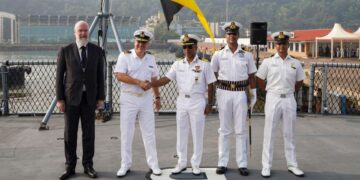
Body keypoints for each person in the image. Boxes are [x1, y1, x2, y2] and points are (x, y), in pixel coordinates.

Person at [151, 34, 216, 175]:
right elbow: (166, 79)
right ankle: (181, 162)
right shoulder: (178, 64)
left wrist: (210, 103)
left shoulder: (205, 64)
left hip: (198, 101)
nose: (186, 49)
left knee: (197, 134)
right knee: (181, 133)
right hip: (182, 101)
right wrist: (151, 83)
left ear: (195, 47)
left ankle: (196, 164)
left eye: (189, 46)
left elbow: (211, 85)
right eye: (184, 46)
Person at [56, 20, 105, 180]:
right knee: (70, 134)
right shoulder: (65, 51)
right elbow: (59, 77)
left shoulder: (97, 51)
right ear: (74, 32)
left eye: (85, 30)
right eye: (80, 31)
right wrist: (60, 99)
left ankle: (88, 165)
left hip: (89, 98)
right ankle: (70, 166)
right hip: (70, 99)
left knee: (88, 134)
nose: (83, 33)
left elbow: (100, 76)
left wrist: (101, 97)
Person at [210, 21, 257, 176]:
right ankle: (222, 162)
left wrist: (253, 94)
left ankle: (242, 163)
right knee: (224, 130)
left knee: (241, 130)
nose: (231, 36)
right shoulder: (218, 55)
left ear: (238, 35)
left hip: (240, 93)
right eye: (229, 33)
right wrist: (215, 94)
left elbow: (251, 76)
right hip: (224, 91)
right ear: (226, 36)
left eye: (234, 33)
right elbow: (213, 75)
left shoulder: (247, 55)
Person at [256, 31, 305, 178]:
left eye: (284, 43)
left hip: (289, 98)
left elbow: (300, 81)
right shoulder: (268, 62)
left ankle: (292, 165)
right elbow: (259, 79)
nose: (281, 46)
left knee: (289, 133)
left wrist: (291, 92)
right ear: (275, 45)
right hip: (273, 98)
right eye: (279, 44)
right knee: (269, 133)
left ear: (288, 44)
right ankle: (266, 166)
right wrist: (267, 92)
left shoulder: (295, 63)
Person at [114, 29, 162, 177]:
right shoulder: (125, 56)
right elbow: (119, 75)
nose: (140, 44)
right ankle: (125, 164)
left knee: (149, 133)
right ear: (134, 41)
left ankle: (153, 164)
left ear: (147, 44)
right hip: (129, 98)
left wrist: (158, 97)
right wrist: (138, 82)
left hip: (146, 99)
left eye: (143, 42)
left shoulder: (151, 59)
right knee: (127, 133)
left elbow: (154, 80)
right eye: (138, 42)